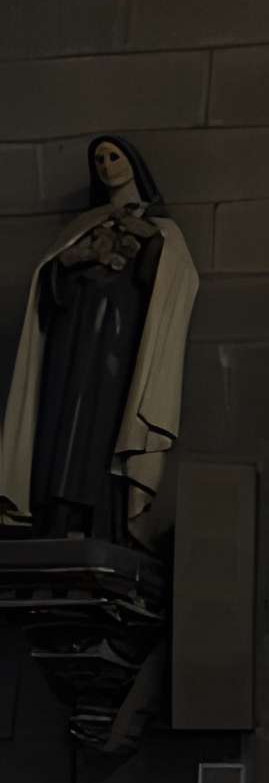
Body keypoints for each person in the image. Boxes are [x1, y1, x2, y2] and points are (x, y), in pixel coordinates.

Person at [1, 137, 199, 546]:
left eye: (115, 156)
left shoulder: (160, 228)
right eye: (100, 159)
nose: (108, 166)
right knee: (57, 427)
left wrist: (147, 242)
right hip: (69, 344)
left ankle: (101, 524)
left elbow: (167, 283)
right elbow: (50, 285)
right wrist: (72, 261)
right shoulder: (82, 228)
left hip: (116, 346)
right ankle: (52, 519)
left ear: (134, 163)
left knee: (101, 430)